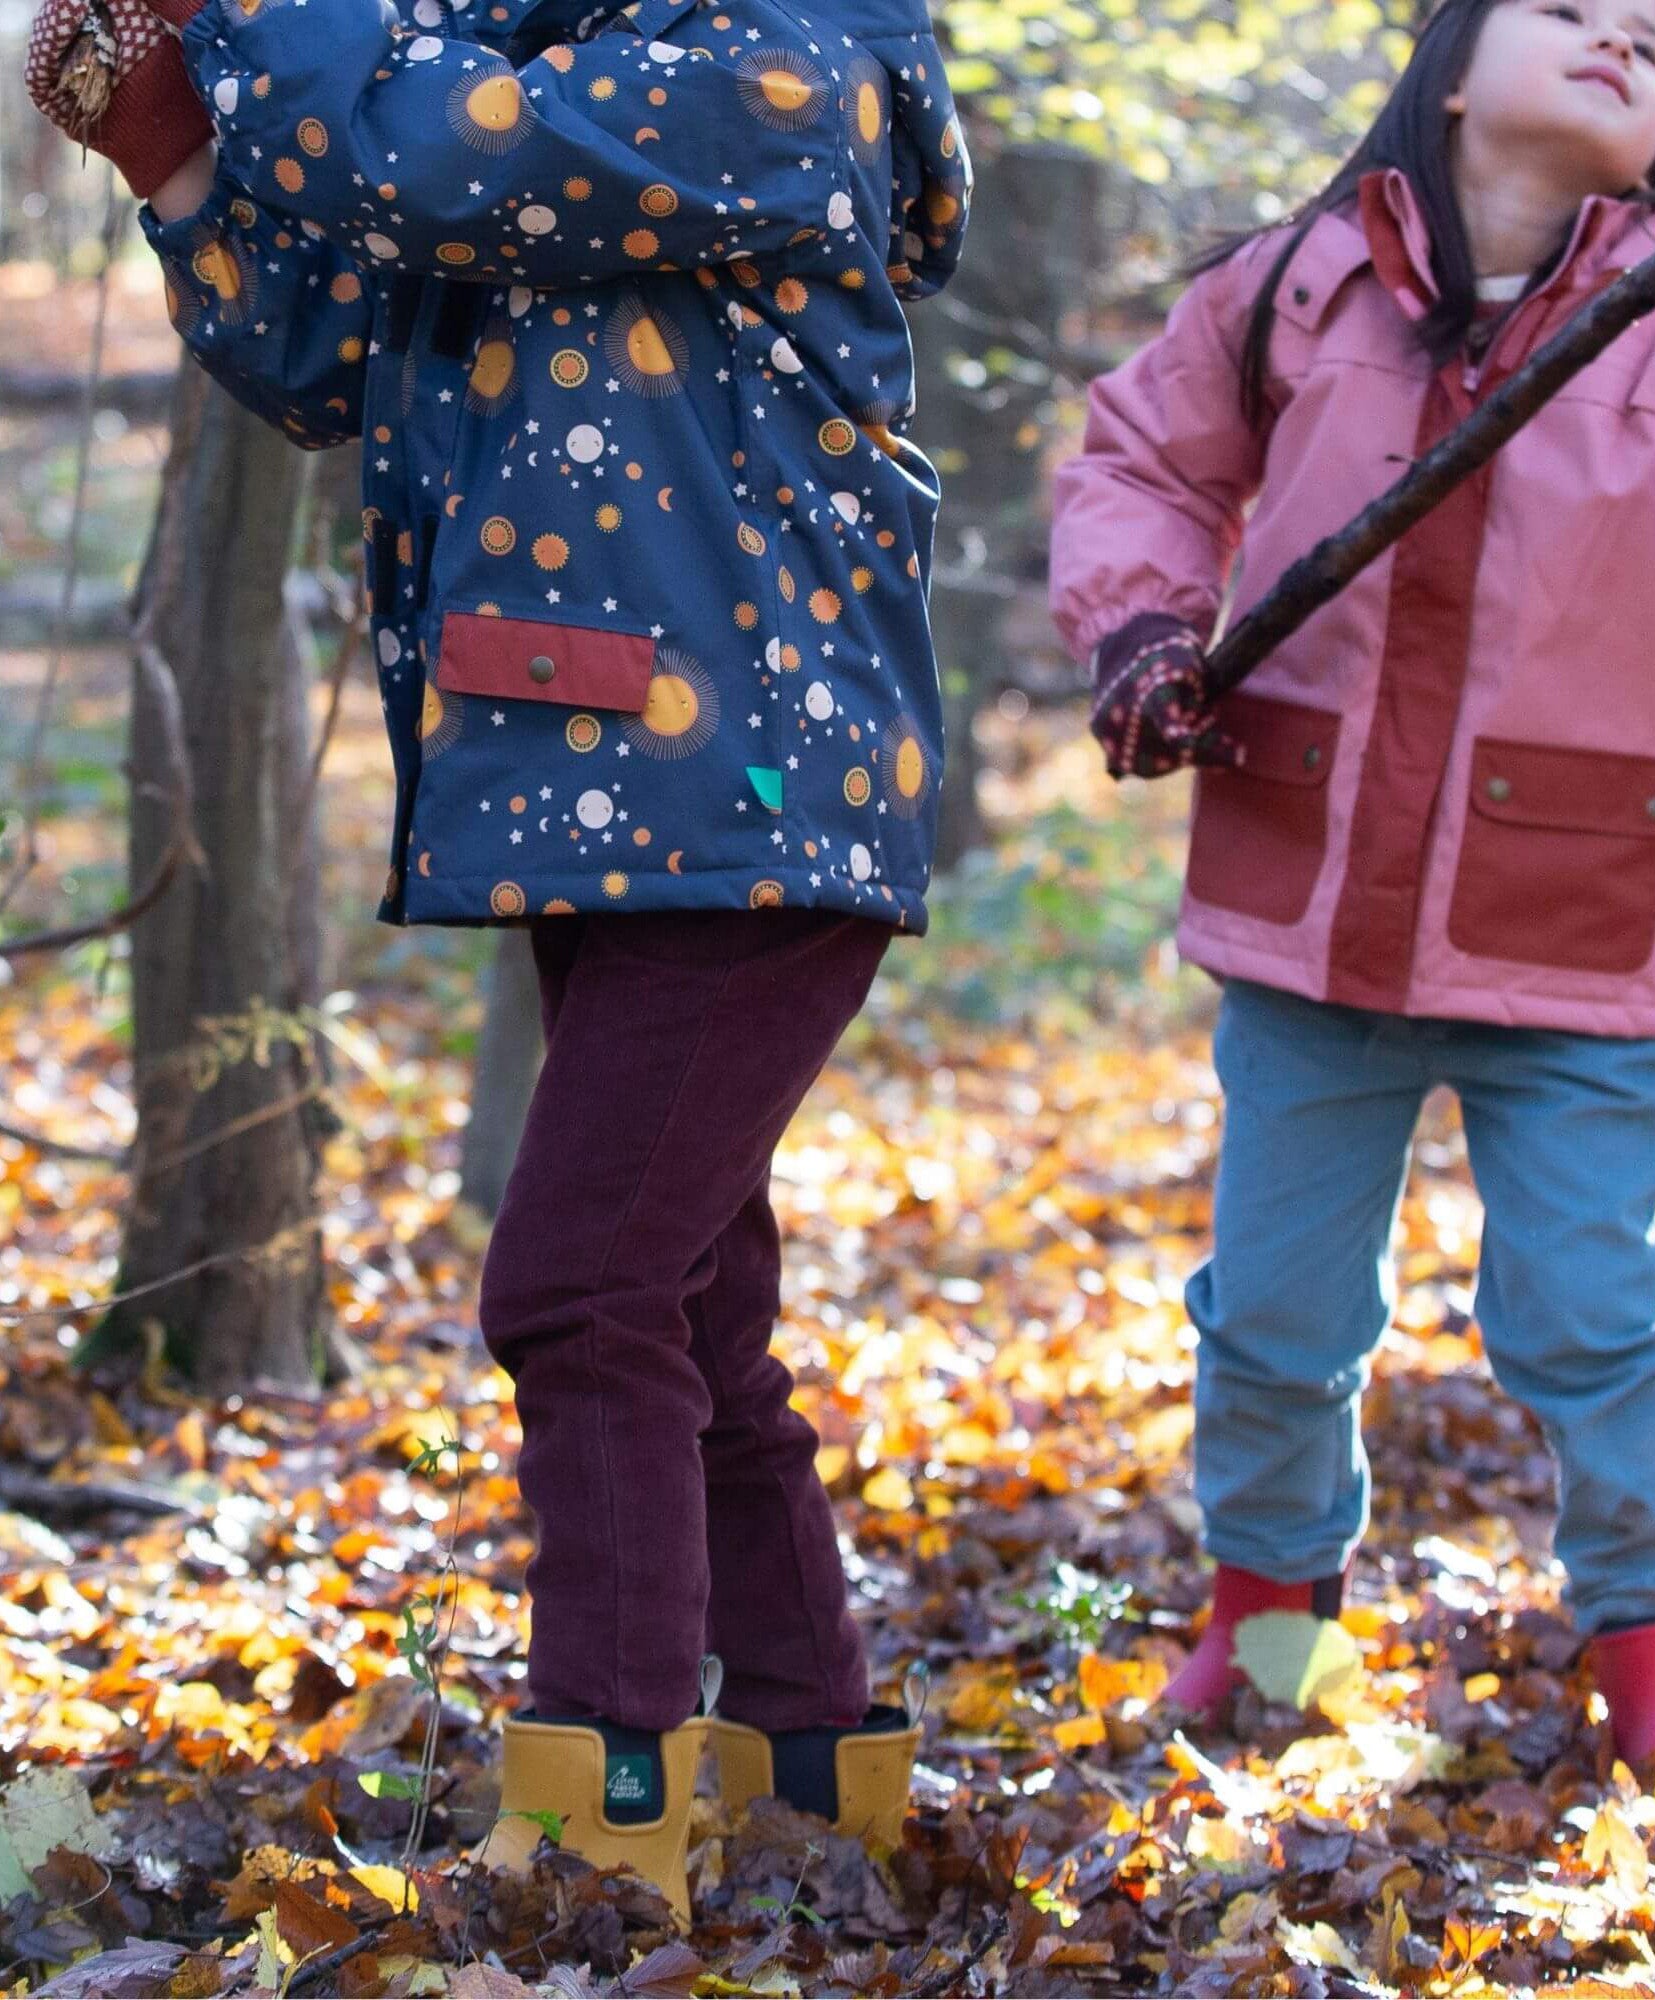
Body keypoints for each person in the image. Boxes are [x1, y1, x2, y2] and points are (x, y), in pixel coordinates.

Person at [28, 0, 968, 1915]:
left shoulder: (782, 61)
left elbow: (439, 160)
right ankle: (814, 1782)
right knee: (686, 1306)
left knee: (580, 1287)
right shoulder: (521, 85)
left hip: (756, 796)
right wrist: (180, 162)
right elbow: (331, 355)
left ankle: (601, 1811)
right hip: (611, 796)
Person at [1051, 0, 1655, 1769]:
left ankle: (1647, 1646)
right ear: (1449, 65)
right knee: (1273, 1314)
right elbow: (1141, 464)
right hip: (1308, 912)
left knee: (1592, 1315)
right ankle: (1272, 1633)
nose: (1619, 42)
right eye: (1569, 9)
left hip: (1585, 926)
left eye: (1654, 38)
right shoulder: (1292, 287)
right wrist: (1144, 634)